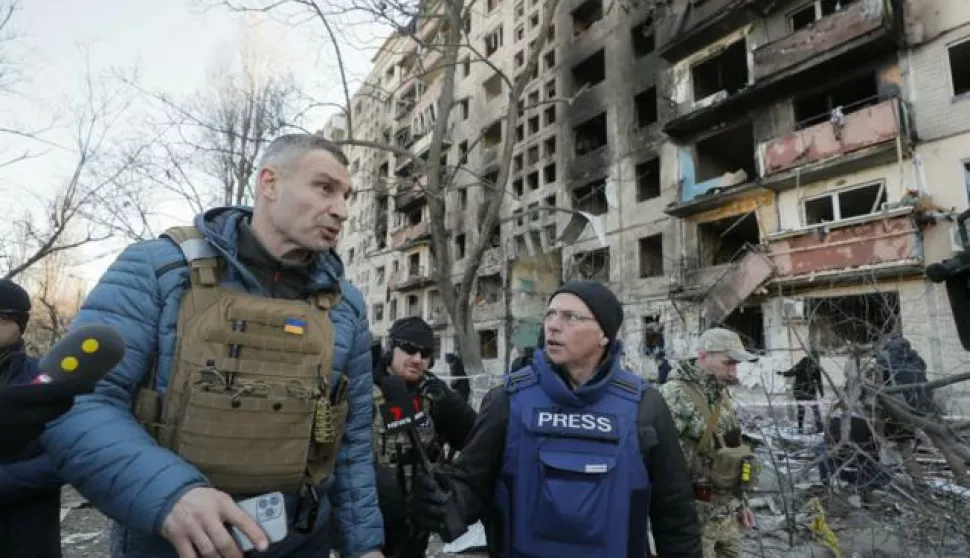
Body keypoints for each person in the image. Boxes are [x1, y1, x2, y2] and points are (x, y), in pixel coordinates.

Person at [42, 134, 385, 558]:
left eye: (347, 195)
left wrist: (365, 546)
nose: (342, 209)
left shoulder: (344, 305)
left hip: (297, 539)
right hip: (173, 542)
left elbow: (349, 444)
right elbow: (73, 401)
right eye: (325, 188)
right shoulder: (160, 269)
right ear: (270, 183)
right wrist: (170, 494)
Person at [409, 280, 702, 557]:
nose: (553, 325)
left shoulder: (645, 406)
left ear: (604, 334)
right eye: (550, 314)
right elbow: (472, 486)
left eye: (571, 317)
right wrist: (443, 500)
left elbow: (674, 512)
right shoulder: (507, 400)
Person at [373, 317, 477, 558]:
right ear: (391, 347)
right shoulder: (362, 384)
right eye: (409, 349)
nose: (418, 359)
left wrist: (451, 485)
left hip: (413, 528)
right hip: (366, 522)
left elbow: (477, 440)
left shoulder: (436, 393)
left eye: (426, 353)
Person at [659, 328, 759, 558]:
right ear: (704, 357)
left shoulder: (721, 394)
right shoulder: (674, 395)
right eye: (728, 363)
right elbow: (660, 464)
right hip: (693, 520)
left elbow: (731, 453)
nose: (734, 372)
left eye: (736, 364)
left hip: (727, 517)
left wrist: (741, 504)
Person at [0, 279, 65, 558]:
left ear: (21, 325)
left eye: (1, 318)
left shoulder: (44, 380)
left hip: (25, 535)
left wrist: (6, 480)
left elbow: (65, 458)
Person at [777, 349, 825, 433]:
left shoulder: (802, 363)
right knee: (815, 409)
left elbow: (791, 371)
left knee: (801, 410)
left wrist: (782, 373)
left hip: (799, 391)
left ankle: (800, 428)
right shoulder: (815, 365)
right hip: (809, 391)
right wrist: (821, 393)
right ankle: (819, 427)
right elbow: (819, 380)